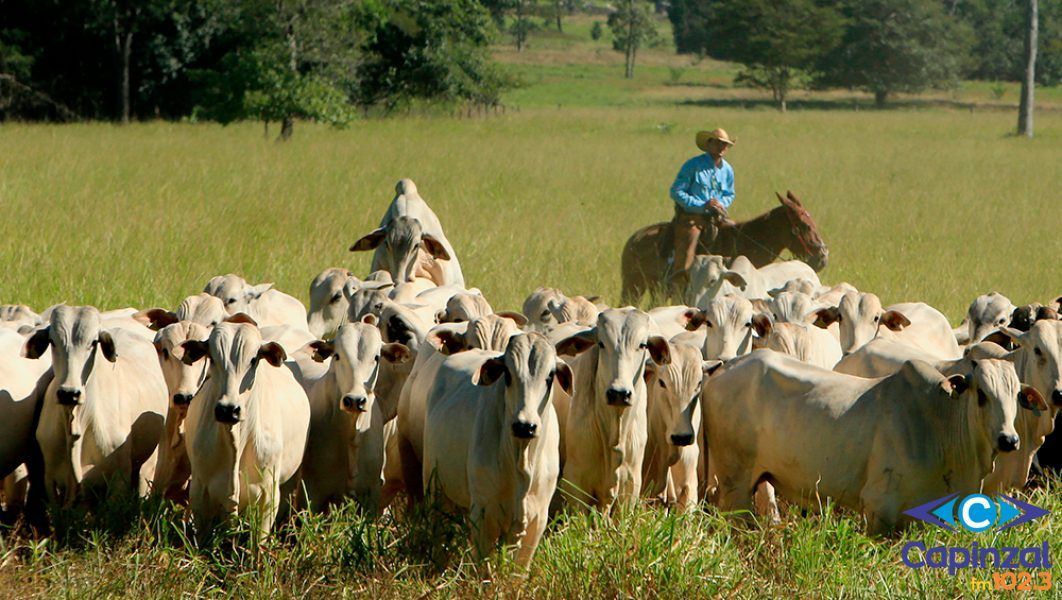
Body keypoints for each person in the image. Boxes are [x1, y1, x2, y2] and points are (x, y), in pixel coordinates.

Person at [668, 128, 736, 280]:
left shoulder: (728, 170)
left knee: (736, 233)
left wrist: (720, 203)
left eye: (725, 144)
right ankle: (680, 279)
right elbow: (676, 192)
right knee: (690, 239)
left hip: (717, 217)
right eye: (718, 143)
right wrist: (702, 205)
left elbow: (730, 194)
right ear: (709, 143)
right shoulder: (693, 165)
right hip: (692, 217)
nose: (721, 147)